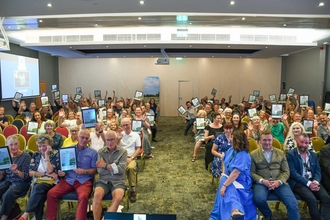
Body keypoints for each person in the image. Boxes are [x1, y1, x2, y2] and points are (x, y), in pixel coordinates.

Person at [46, 129, 97, 220]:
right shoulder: (68, 150)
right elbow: (63, 167)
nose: (84, 140)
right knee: (51, 193)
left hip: (84, 180)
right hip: (69, 179)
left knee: (83, 196)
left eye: (86, 138)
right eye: (82, 137)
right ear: (78, 137)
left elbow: (95, 170)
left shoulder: (93, 152)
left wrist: (84, 171)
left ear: (89, 140)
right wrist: (61, 172)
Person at [250, 131, 300, 220]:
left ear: (272, 140)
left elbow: (286, 171)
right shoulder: (253, 154)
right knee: (258, 199)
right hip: (262, 182)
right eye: (264, 140)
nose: (267, 142)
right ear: (260, 141)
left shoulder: (280, 153)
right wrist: (262, 181)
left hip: (279, 182)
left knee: (292, 203)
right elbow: (252, 172)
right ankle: (268, 214)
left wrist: (279, 182)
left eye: (269, 140)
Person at [209, 130, 256, 220]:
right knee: (223, 179)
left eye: (232, 138)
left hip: (241, 181)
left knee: (225, 185)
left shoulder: (243, 154)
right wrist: (223, 173)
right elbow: (224, 161)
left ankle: (218, 215)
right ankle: (234, 209)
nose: (230, 139)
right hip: (231, 178)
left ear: (237, 141)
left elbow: (236, 173)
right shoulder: (231, 150)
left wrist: (224, 184)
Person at [286, 133, 330, 220]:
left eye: (306, 143)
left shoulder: (313, 155)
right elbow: (293, 173)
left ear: (309, 143)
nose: (304, 145)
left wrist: (316, 181)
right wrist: (309, 183)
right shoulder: (290, 154)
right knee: (312, 200)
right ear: (297, 141)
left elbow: (318, 170)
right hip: (298, 183)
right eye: (302, 142)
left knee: (326, 198)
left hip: (313, 181)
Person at [18, 134, 59, 220]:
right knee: (40, 193)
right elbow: (30, 172)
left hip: (52, 183)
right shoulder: (36, 155)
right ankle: (37, 217)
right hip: (39, 181)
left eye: (44, 146)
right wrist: (44, 173)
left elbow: (50, 170)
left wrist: (47, 156)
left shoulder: (55, 154)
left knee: (38, 188)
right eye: (39, 146)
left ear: (50, 145)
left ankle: (26, 214)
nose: (41, 149)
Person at [92, 130, 127, 219]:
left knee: (118, 198)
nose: (109, 142)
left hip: (118, 181)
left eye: (112, 139)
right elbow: (100, 171)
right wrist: (113, 168)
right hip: (103, 180)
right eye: (107, 140)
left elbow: (122, 169)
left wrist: (105, 165)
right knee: (96, 195)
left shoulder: (123, 152)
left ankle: (105, 219)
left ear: (116, 140)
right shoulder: (101, 152)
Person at [0, 135, 31, 220]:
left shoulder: (26, 157)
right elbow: (2, 175)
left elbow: (27, 176)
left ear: (19, 145)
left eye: (16, 144)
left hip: (21, 182)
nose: (14, 147)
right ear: (7, 146)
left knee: (7, 195)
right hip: (7, 180)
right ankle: (14, 211)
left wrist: (16, 171)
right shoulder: (5, 156)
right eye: (11, 145)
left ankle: (4, 217)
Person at [117, 118, 141, 203]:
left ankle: (132, 190)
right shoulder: (120, 135)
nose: (125, 127)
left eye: (127, 125)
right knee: (116, 168)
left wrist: (131, 158)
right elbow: (114, 147)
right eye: (123, 125)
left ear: (130, 124)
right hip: (120, 158)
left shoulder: (136, 135)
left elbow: (138, 149)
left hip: (131, 157)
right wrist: (118, 139)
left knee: (131, 168)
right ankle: (119, 188)